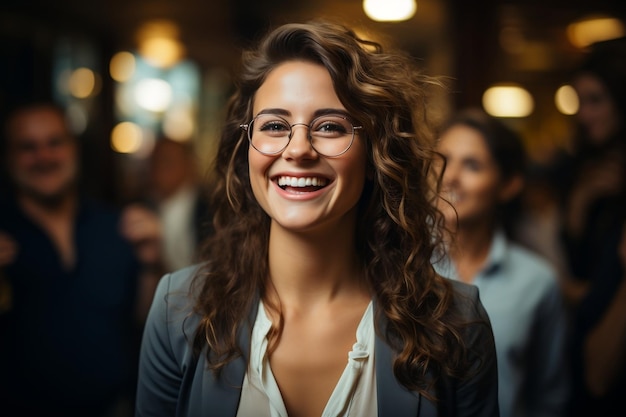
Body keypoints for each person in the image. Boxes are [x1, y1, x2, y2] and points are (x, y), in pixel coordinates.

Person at [135, 20, 499, 417]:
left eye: (329, 126)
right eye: (274, 125)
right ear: (246, 149)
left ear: (375, 153)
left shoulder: (455, 324)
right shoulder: (179, 311)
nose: (299, 149)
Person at [0, 102, 164, 417]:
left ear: (74, 149)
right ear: (9, 159)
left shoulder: (117, 226)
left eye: (54, 143)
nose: (44, 157)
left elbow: (145, 321)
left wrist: (151, 263)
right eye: (28, 147)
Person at [432, 108, 569, 417]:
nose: (450, 177)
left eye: (472, 165)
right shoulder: (399, 266)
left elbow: (550, 396)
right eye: (442, 160)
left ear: (509, 184)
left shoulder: (537, 282)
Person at [558, 37, 626, 417]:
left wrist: (569, 290)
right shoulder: (582, 170)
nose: (584, 114)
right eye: (579, 101)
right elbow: (580, 266)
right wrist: (580, 207)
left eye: (596, 99)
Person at [142, 136, 212, 272]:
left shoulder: (210, 210)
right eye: (156, 162)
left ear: (189, 164)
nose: (161, 168)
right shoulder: (144, 209)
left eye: (168, 161)